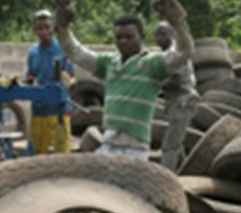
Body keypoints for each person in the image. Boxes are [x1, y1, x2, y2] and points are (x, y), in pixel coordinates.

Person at [55, 0, 193, 160]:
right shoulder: (108, 63)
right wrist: (63, 28)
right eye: (119, 37)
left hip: (135, 148)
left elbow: (184, 51)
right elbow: (75, 52)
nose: (123, 41)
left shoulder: (152, 64)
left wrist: (178, 22)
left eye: (129, 37)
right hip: (108, 144)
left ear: (141, 37)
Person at [26, 9, 75, 154]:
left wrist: (68, 80)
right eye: (40, 28)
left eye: (47, 27)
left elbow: (72, 75)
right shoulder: (33, 53)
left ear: (53, 27)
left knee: (62, 154)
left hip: (60, 110)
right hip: (39, 110)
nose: (44, 32)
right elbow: (31, 76)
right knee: (39, 154)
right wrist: (27, 83)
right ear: (35, 30)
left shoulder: (63, 50)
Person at [155, 21, 199, 171]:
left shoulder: (175, 53)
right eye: (157, 34)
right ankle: (188, 170)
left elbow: (176, 81)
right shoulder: (168, 53)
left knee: (170, 144)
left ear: (172, 35)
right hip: (178, 102)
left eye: (163, 33)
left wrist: (153, 85)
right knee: (176, 140)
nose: (158, 38)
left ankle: (165, 179)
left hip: (183, 101)